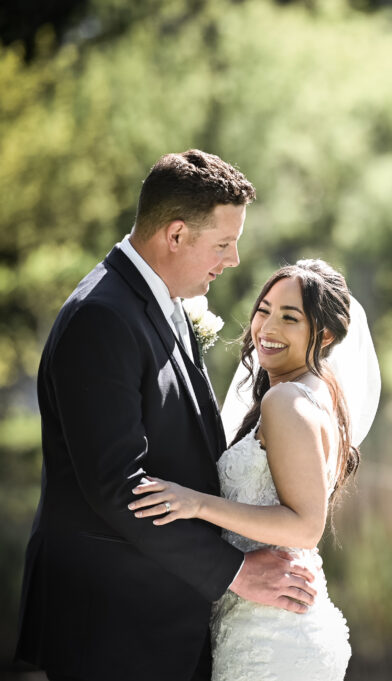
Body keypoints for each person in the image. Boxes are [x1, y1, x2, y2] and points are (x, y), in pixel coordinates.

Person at [16, 150, 319, 681]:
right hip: (110, 621)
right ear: (175, 235)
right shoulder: (101, 317)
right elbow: (117, 486)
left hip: (160, 613)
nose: (234, 260)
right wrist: (236, 573)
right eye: (223, 244)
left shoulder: (164, 301)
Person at [128, 259, 366, 680]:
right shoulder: (315, 390)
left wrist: (196, 504)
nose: (266, 328)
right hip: (270, 620)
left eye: (289, 317)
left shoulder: (286, 402)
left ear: (324, 335)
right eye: (264, 310)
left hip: (273, 633)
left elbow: (306, 526)